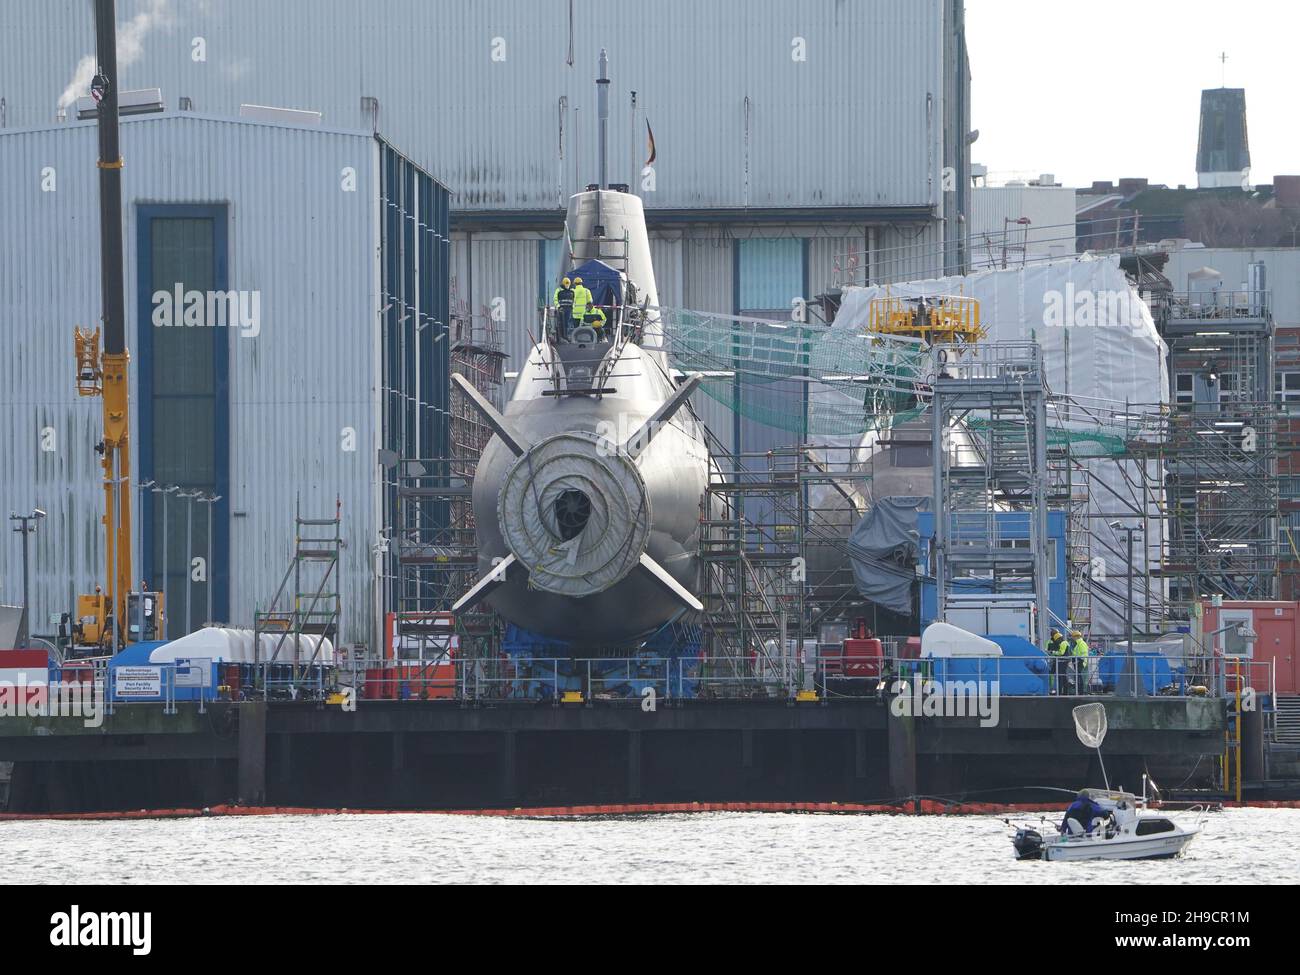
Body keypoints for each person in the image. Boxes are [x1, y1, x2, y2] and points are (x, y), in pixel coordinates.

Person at [1045, 628, 1068, 695]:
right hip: (1055, 661)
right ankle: (1054, 689)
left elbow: (1060, 652)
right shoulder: (1053, 642)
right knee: (1058, 675)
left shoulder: (1060, 642)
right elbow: (1047, 651)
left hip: (1058, 661)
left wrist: (1052, 652)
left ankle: (1058, 690)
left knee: (1059, 676)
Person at [1069, 629, 1090, 695]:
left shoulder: (1081, 644)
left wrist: (1079, 660)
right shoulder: (1076, 644)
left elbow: (1084, 654)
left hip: (1081, 662)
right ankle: (1079, 691)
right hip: (1077, 662)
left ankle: (1081, 691)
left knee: (1080, 678)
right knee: (1078, 677)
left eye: (1072, 637)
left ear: (1076, 637)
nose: (1072, 638)